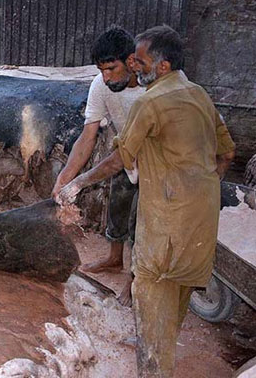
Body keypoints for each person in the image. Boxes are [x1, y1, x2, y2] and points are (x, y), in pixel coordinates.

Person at [56, 25, 235, 377]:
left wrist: (75, 184)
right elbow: (227, 154)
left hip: (164, 220)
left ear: (161, 65)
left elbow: (120, 159)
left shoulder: (151, 100)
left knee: (152, 317)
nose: (135, 65)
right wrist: (197, 186)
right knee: (173, 310)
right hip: (200, 224)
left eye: (139, 60)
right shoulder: (198, 94)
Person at [51, 27, 145, 306]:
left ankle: (133, 281)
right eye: (101, 69)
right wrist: (63, 179)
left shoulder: (154, 86)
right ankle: (114, 258)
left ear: (130, 61)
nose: (106, 77)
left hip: (157, 165)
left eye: (111, 68)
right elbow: (87, 135)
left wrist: (80, 182)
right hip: (125, 159)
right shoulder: (100, 86)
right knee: (118, 205)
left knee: (142, 223)